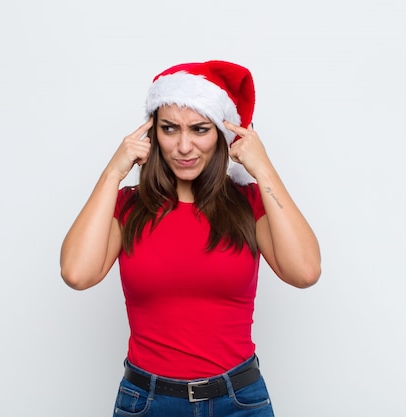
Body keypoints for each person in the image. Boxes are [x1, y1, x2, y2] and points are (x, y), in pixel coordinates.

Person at [60, 60, 321, 416]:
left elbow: (305, 272)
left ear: (222, 134)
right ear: (153, 133)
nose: (184, 146)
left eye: (200, 129)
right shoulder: (127, 207)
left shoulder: (249, 204)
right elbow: (77, 273)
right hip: (147, 402)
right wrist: (113, 172)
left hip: (239, 402)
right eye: (170, 129)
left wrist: (263, 168)